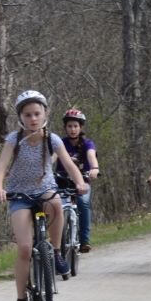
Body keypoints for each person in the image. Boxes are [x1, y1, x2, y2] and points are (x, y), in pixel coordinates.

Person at [0, 90, 90, 301]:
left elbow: (68, 163)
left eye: (37, 113)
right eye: (27, 114)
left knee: (55, 202)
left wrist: (79, 182)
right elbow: (2, 166)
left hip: (44, 189)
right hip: (19, 195)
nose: (33, 118)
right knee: (24, 248)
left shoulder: (52, 139)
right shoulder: (14, 140)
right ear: (21, 117)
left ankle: (55, 252)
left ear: (44, 114)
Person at [55, 108, 100, 252]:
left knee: (83, 203)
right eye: (69, 126)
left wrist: (94, 168)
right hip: (62, 181)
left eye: (75, 126)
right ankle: (55, 239)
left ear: (81, 127)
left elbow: (91, 156)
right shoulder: (60, 143)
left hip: (83, 181)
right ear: (65, 128)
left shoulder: (87, 144)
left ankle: (84, 240)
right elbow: (52, 158)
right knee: (55, 205)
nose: (73, 129)